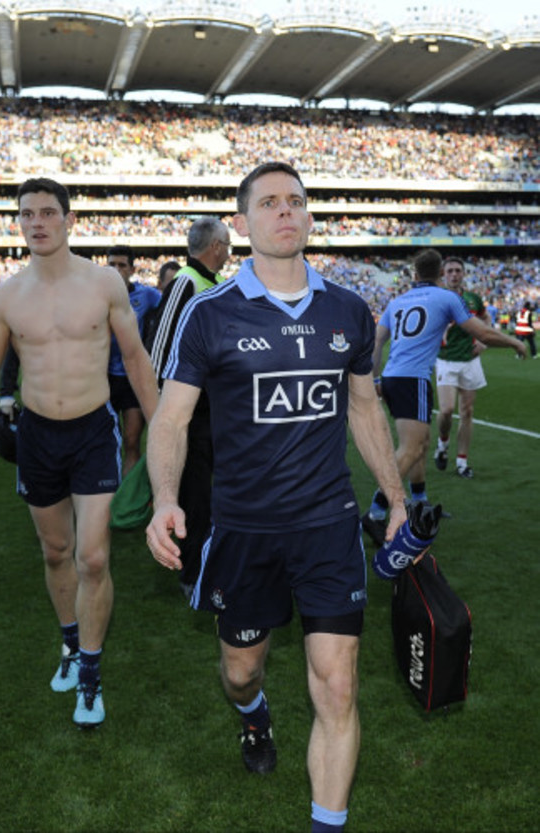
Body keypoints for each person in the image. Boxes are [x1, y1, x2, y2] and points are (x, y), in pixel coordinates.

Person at [145, 162, 408, 833]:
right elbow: (171, 419)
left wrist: (396, 497)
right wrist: (165, 498)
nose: (285, 211)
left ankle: (327, 822)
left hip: (328, 525)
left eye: (296, 201)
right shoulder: (209, 313)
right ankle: (253, 714)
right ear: (241, 223)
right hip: (243, 528)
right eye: (268, 203)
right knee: (241, 671)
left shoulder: (348, 309)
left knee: (338, 684)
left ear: (309, 216)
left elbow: (364, 408)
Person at [0, 178, 159, 728]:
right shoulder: (5, 296)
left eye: (48, 212)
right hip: (38, 436)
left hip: (93, 432)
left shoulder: (103, 283)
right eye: (27, 214)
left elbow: (136, 358)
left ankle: (90, 672)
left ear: (69, 220)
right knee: (55, 551)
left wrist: (162, 423)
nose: (37, 222)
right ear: (19, 222)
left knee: (92, 556)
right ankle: (71, 643)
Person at [363, 249, 527, 546]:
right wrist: (514, 342)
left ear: (414, 274)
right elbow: (483, 333)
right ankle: (375, 512)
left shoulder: (397, 301)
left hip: (393, 378)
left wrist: (375, 379)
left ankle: (419, 503)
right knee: (411, 448)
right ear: (440, 273)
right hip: (413, 380)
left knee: (422, 444)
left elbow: (376, 341)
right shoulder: (447, 297)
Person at [146, 216, 230, 599]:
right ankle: (192, 572)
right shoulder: (186, 282)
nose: (229, 252)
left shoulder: (215, 283)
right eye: (227, 245)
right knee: (195, 494)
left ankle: (211, 559)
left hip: (214, 411)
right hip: (189, 413)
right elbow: (159, 346)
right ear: (215, 247)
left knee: (215, 490)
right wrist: (162, 412)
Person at [107, 245, 161, 476]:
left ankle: (129, 494)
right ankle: (107, 491)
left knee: (131, 441)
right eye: (112, 265)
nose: (116, 270)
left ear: (132, 269)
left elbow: (171, 309)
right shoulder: (98, 296)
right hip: (103, 378)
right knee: (106, 442)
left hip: (133, 378)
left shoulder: (146, 295)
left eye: (122, 265)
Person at [433, 257, 490, 479]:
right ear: (443, 274)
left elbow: (485, 317)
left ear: (463, 273)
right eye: (450, 271)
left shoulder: (473, 299)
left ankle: (462, 462)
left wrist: (483, 342)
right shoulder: (437, 298)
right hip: (446, 359)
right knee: (447, 410)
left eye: (458, 270)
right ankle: (443, 443)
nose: (454, 274)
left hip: (470, 360)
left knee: (467, 411)